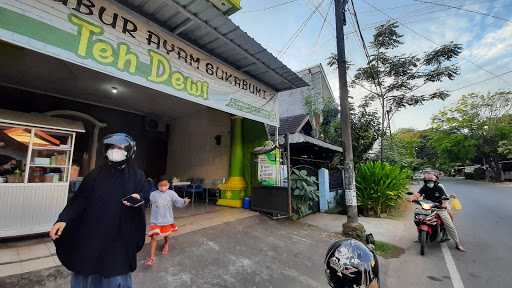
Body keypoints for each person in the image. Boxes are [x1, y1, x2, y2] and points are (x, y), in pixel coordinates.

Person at [49, 133, 146, 288]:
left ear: (130, 151)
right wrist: (63, 219)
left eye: (120, 147)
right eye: (112, 147)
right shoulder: (95, 175)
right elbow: (79, 199)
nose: (115, 150)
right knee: (86, 270)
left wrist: (138, 197)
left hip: (119, 238)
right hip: (90, 236)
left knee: (114, 275)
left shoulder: (137, 176)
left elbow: (144, 195)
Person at [411, 173, 465, 252]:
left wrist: (444, 205)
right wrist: (413, 198)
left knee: (449, 225)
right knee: (418, 218)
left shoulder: (439, 188)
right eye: (428, 181)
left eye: (431, 181)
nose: (430, 183)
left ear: (435, 181)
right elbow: (418, 194)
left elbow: (444, 198)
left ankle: (457, 243)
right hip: (427, 207)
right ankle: (420, 236)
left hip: (439, 208)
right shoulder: (424, 187)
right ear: (425, 182)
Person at [144, 178, 190, 267]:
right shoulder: (153, 194)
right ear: (157, 186)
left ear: (168, 185)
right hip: (156, 220)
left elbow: (178, 201)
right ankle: (152, 258)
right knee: (153, 237)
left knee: (166, 235)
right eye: (161, 185)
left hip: (167, 219)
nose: (163, 187)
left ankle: (166, 244)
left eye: (165, 185)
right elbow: (145, 201)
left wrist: (184, 201)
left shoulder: (171, 193)